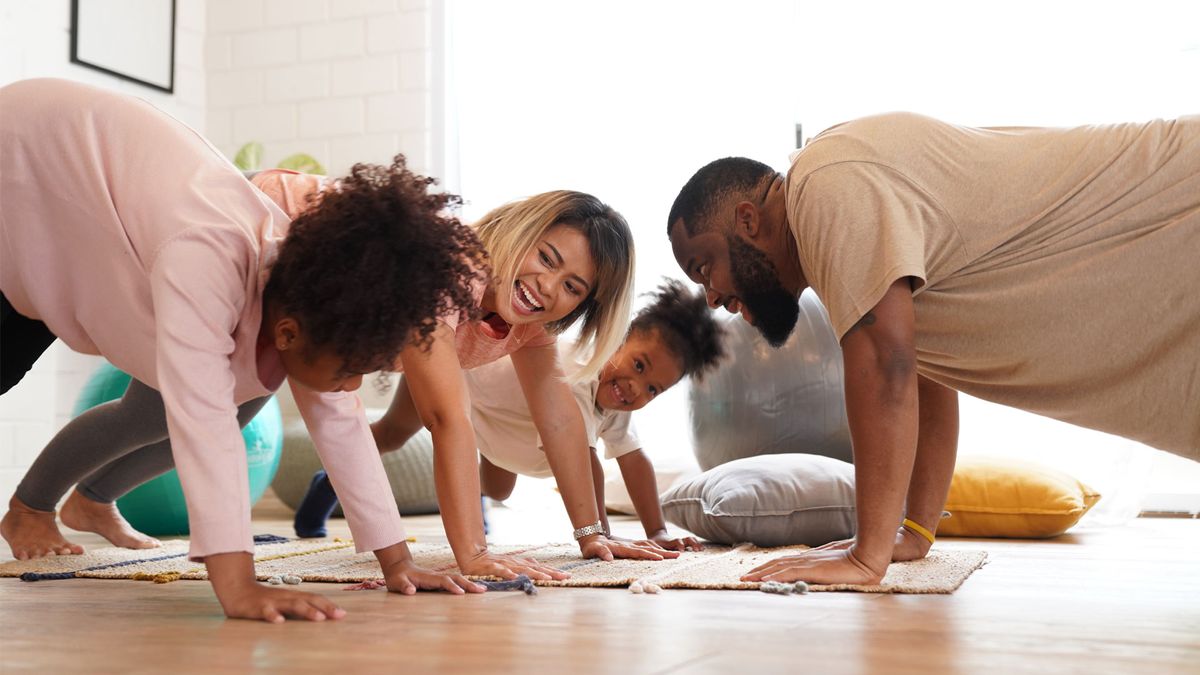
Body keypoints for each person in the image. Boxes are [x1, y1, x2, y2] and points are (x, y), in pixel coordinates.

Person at [0, 78, 487, 623]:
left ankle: (35, 507)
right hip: (22, 149)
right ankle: (28, 509)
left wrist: (397, 561)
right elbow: (203, 419)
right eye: (354, 371)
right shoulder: (206, 255)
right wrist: (238, 585)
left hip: (63, 188)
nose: (353, 388)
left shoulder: (305, 290)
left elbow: (342, 429)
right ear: (287, 334)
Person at [665, 112, 1200, 586]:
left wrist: (864, 557)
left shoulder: (826, 187)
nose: (711, 298)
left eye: (703, 267)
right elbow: (926, 369)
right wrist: (913, 532)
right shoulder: (840, 210)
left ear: (747, 220)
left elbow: (885, 369)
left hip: (1177, 206)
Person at [293, 187, 673, 579]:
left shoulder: (530, 323)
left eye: (572, 287)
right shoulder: (450, 271)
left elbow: (559, 420)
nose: (547, 285)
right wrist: (474, 553)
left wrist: (592, 534)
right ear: (522, 230)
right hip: (280, 226)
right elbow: (446, 419)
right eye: (545, 258)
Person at [467, 279, 725, 551]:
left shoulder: (618, 396)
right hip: (470, 392)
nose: (635, 387)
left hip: (505, 424)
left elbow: (633, 459)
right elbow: (584, 460)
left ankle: (484, 456)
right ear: (617, 339)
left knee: (498, 490)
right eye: (638, 365)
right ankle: (474, 459)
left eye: (652, 389)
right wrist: (600, 534)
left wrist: (657, 531)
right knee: (572, 453)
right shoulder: (577, 368)